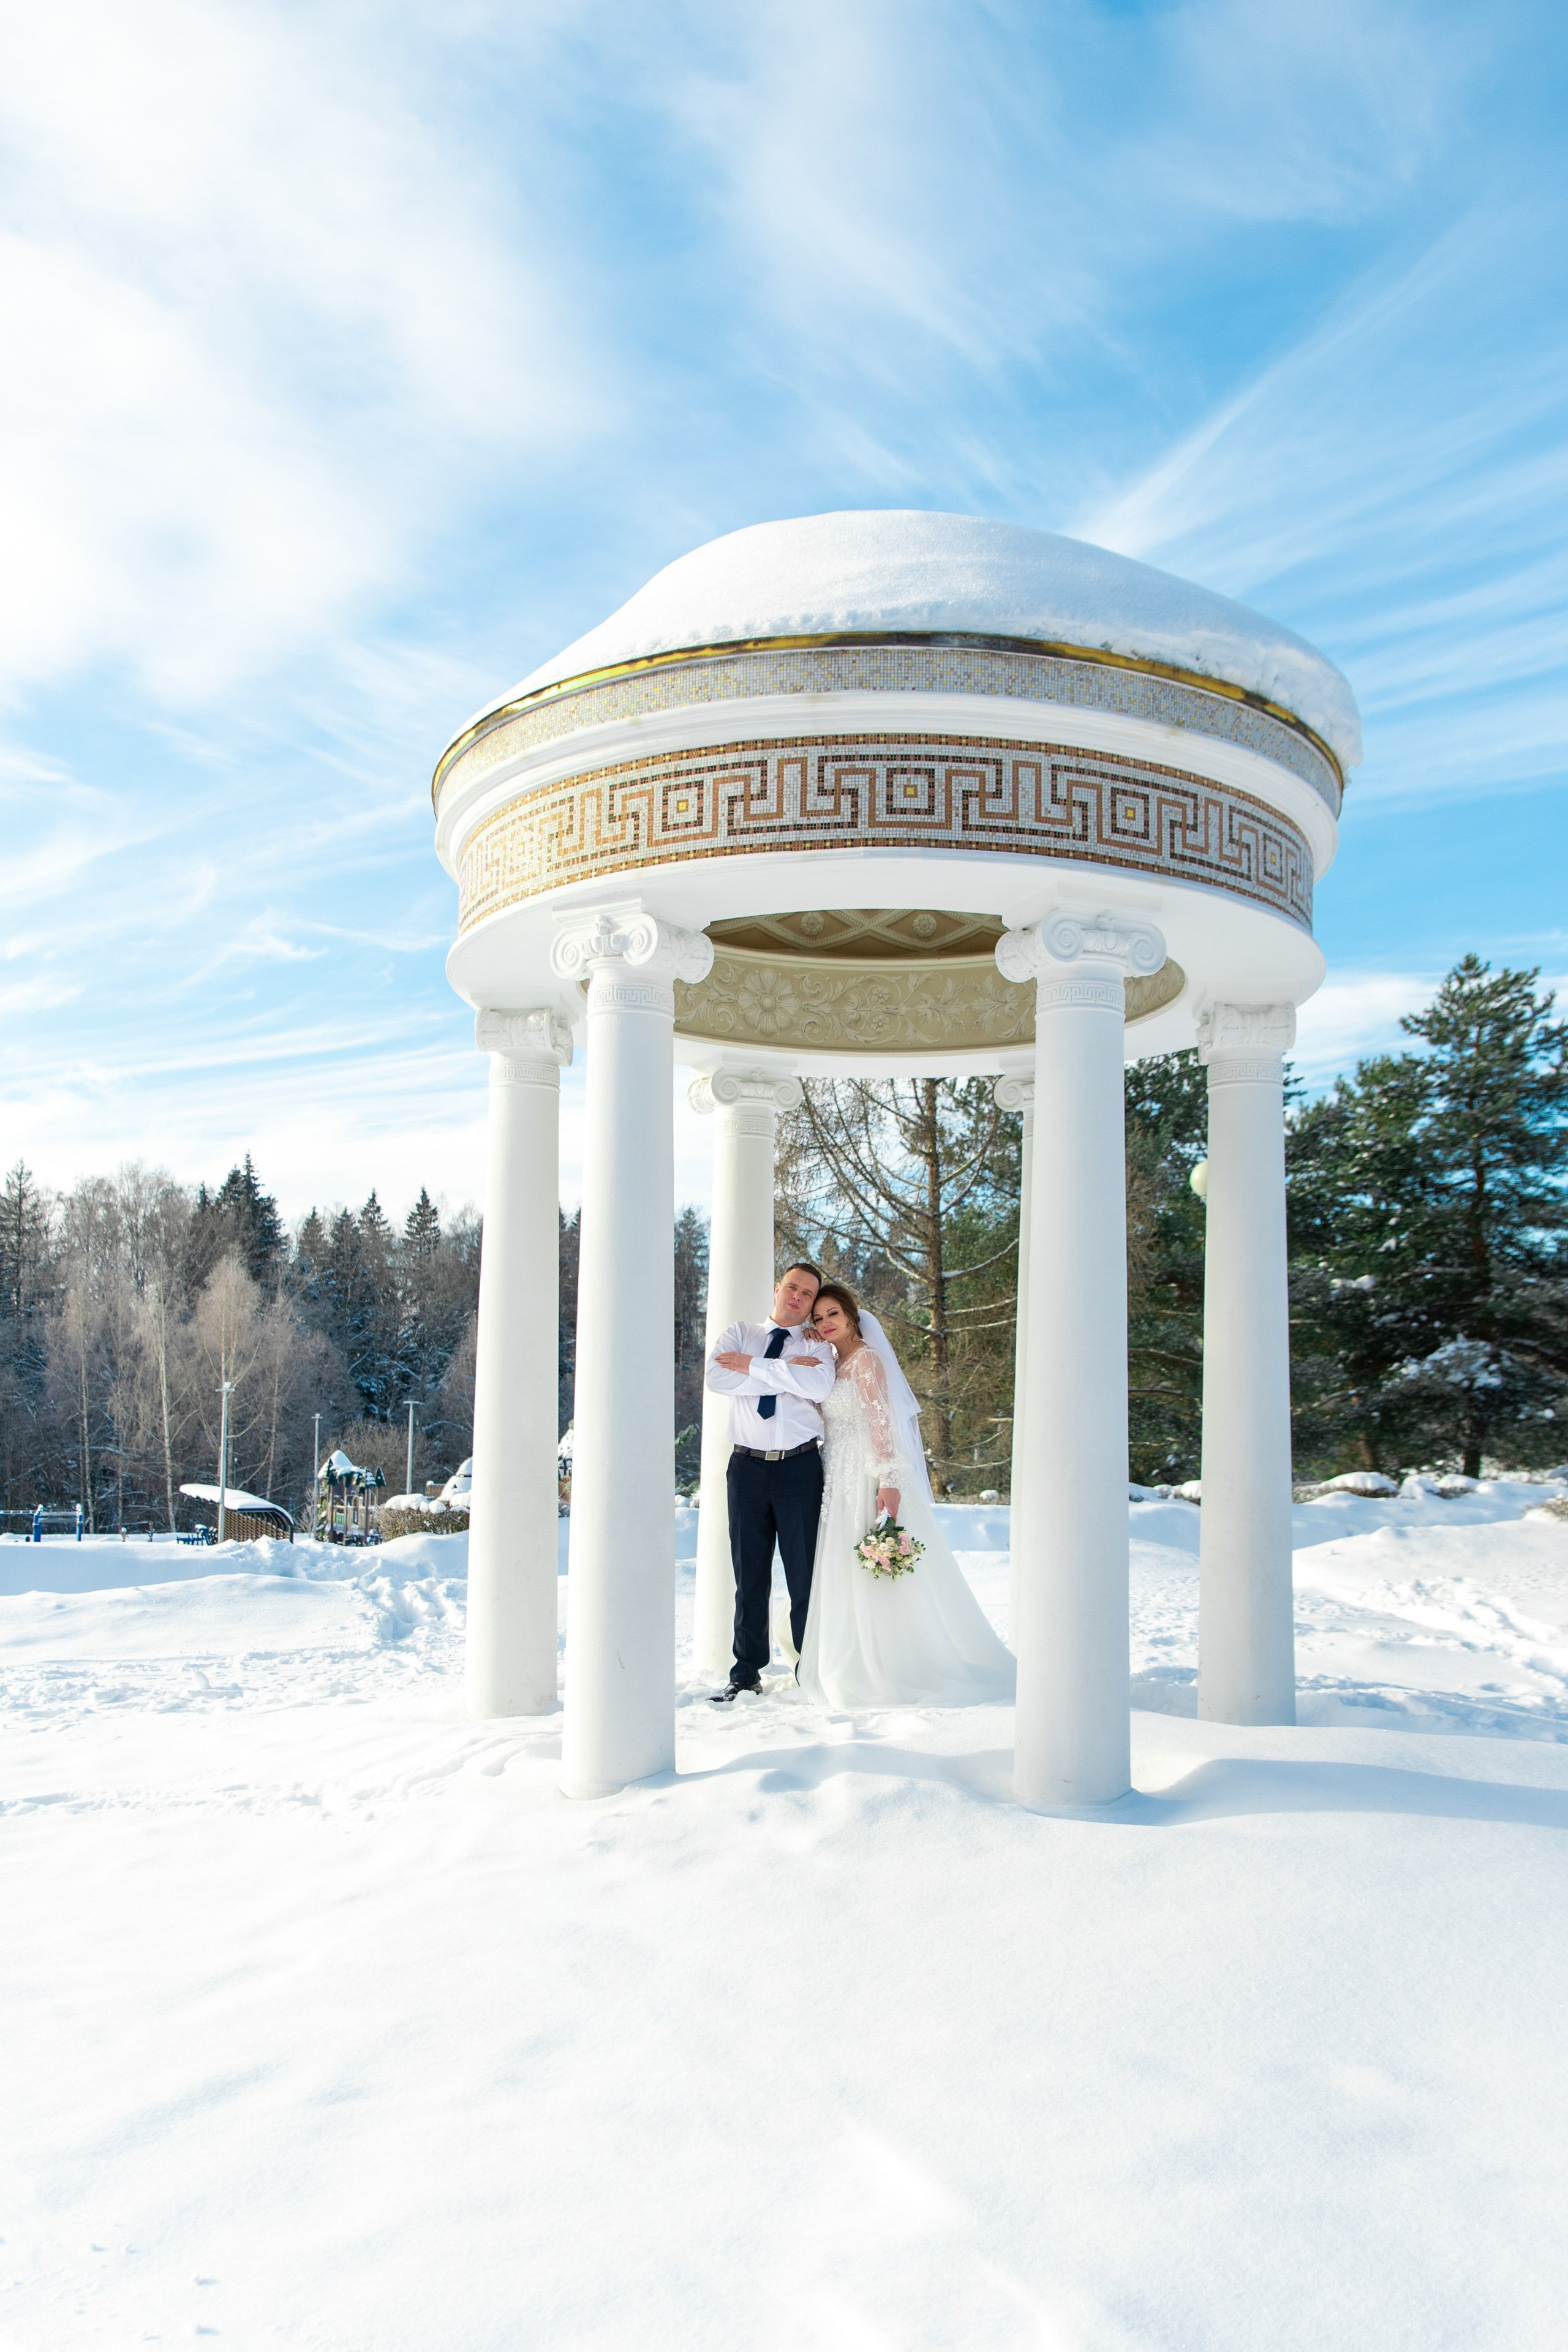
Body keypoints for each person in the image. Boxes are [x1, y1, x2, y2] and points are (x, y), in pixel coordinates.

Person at [793, 1283, 1016, 1709]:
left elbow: (882, 1424)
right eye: (818, 1319)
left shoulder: (866, 1361)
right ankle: (851, 1653)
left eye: (832, 1314)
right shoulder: (833, 1366)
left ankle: (889, 1663)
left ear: (852, 1316)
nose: (825, 1323)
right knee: (845, 1565)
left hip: (866, 1473)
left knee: (877, 1568)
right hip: (836, 1476)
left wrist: (889, 1481)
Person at [703, 1261, 837, 1702]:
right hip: (747, 1470)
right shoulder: (741, 1333)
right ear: (778, 1288)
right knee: (751, 1574)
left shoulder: (819, 1346)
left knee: (804, 1575)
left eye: (808, 1294)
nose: (798, 1298)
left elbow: (817, 1389)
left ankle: (809, 1670)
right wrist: (781, 1370)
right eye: (792, 1288)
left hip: (800, 1469)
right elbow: (717, 1377)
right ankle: (746, 1673)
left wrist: (753, 1368)